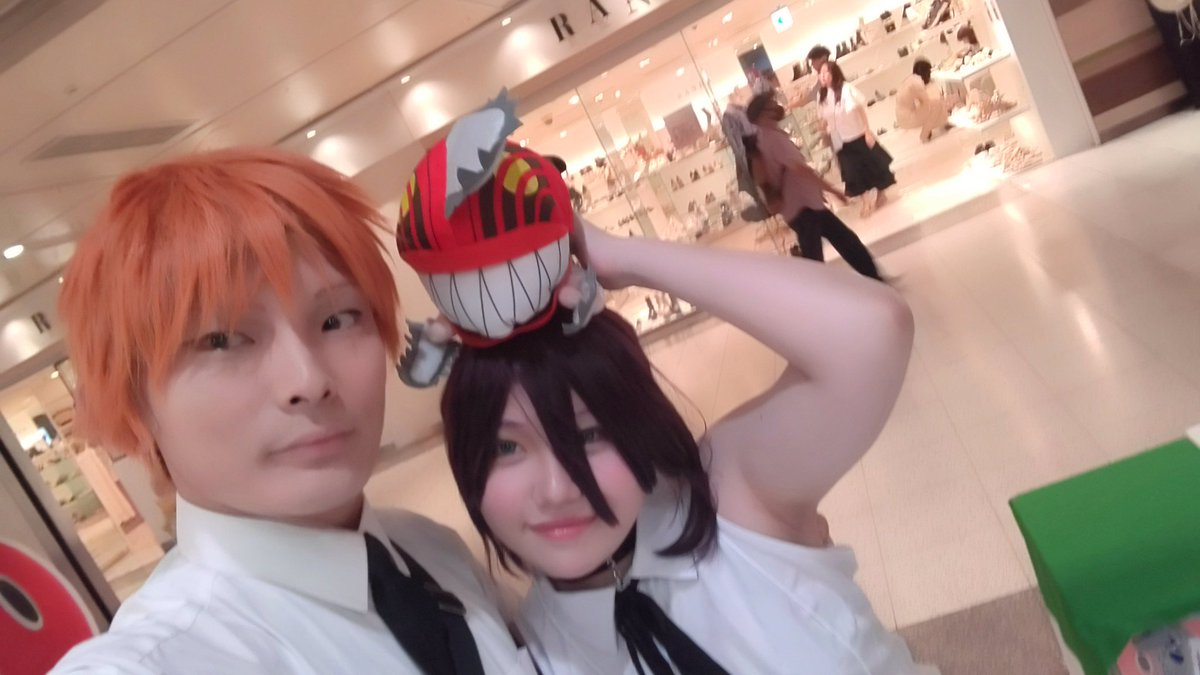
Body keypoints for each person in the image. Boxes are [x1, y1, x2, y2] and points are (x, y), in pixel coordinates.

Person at [50, 148, 534, 674]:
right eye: (222, 340)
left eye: (338, 319)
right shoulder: (161, 659)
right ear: (133, 400)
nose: (308, 381)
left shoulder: (432, 550)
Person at [433, 218, 923, 674]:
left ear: (636, 426)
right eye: (507, 448)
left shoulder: (729, 504)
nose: (558, 490)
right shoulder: (525, 653)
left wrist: (621, 257)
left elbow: (873, 329)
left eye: (589, 436)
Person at [744, 93, 882, 280]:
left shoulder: (764, 139)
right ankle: (869, 280)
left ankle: (874, 278)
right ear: (763, 114)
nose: (776, 106)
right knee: (827, 253)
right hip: (803, 207)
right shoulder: (773, 139)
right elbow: (801, 170)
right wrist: (832, 190)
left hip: (800, 206)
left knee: (842, 242)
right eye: (771, 104)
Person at [817, 61, 897, 217]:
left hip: (857, 135)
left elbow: (860, 109)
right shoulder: (822, 95)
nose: (822, 76)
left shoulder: (846, 89)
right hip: (840, 140)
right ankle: (866, 201)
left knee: (873, 167)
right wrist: (824, 127)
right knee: (851, 173)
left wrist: (867, 131)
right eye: (820, 73)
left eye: (826, 72)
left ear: (834, 73)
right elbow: (823, 117)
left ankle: (880, 194)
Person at [896, 58, 952, 142]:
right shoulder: (916, 84)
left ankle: (940, 123)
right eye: (929, 72)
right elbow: (926, 102)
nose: (930, 75)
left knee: (936, 103)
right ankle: (925, 133)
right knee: (936, 104)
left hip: (906, 115)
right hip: (908, 117)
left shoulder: (913, 80)